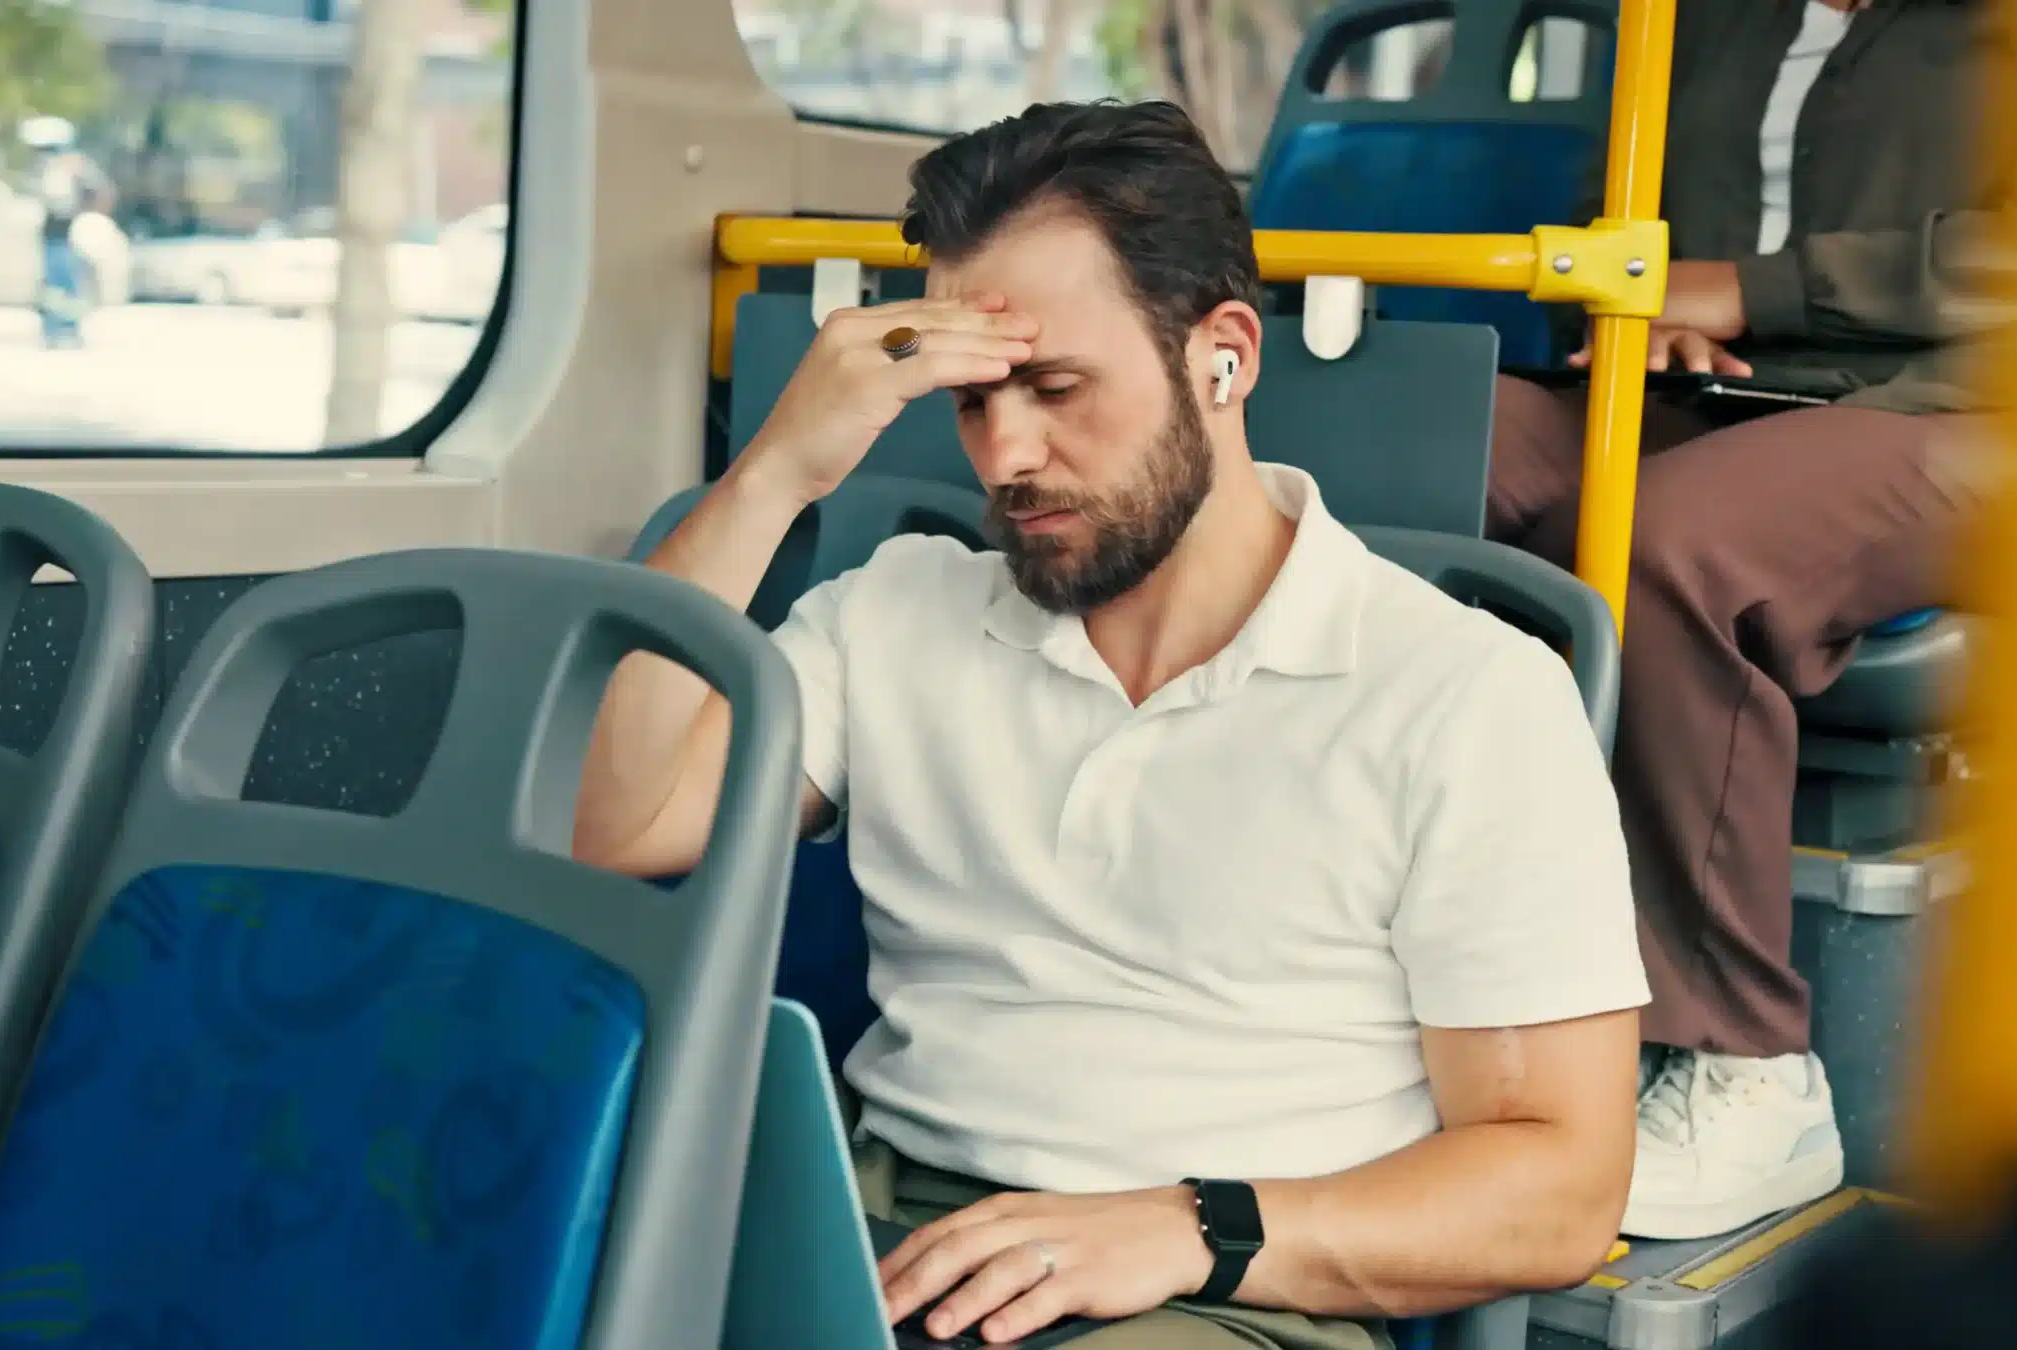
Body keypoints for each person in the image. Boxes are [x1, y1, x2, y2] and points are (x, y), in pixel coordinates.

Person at [578, 100, 1647, 1349]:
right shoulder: (893, 613)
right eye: (972, 401)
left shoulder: (1463, 694)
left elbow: (1557, 1188)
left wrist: (1191, 1228)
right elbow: (619, 823)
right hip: (885, 1235)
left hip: (1215, 1288)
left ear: (1222, 358)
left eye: (1054, 388)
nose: (1004, 455)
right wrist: (776, 472)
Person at [1486, 0, 2015, 1242]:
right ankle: (1455, 999)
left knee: (1663, 545)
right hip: (1733, 393)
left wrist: (1750, 290)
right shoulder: (1705, 18)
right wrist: (1656, 310)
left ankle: (1747, 1063)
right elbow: (1636, 225)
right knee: (1428, 459)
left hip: (1976, 406)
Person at [18, 117, 113, 350]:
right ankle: (56, 328)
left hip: (65, 233)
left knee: (64, 285)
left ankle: (66, 329)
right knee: (55, 286)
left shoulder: (71, 166)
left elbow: (96, 192)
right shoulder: (51, 168)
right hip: (53, 234)